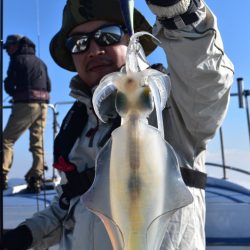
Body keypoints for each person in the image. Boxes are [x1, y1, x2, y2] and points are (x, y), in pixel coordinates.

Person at [1, 0, 234, 249]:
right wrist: (26, 235)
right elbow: (66, 203)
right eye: (79, 43)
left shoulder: (175, 106)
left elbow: (206, 78)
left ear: (130, 39)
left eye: (107, 36)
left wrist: (178, 11)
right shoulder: (76, 126)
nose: (93, 50)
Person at [2, 35, 51, 193]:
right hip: (43, 105)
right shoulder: (40, 62)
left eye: (8, 47)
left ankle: (2, 175)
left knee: (6, 140)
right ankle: (36, 178)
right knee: (37, 144)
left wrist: (13, 90)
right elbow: (48, 85)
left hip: (25, 105)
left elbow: (9, 85)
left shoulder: (17, 60)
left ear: (16, 45)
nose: (7, 51)